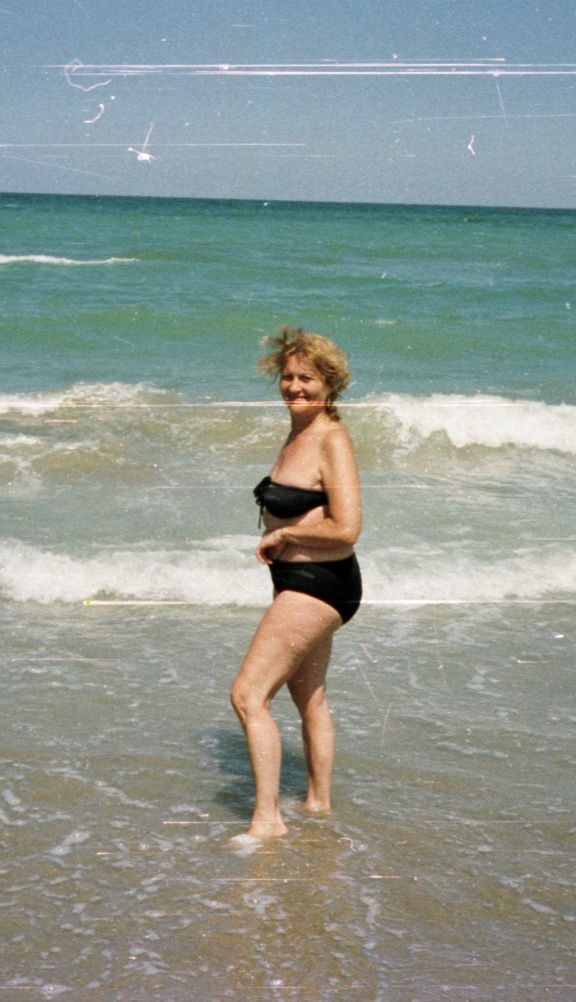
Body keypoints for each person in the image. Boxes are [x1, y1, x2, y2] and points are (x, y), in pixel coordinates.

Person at [230, 326, 363, 843]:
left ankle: (267, 822)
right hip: (300, 579)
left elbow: (348, 526)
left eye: (307, 378)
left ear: (331, 384)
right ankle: (318, 806)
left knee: (247, 695)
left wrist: (285, 532)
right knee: (309, 696)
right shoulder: (298, 433)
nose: (295, 387)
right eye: (287, 377)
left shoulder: (331, 438)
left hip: (321, 582)